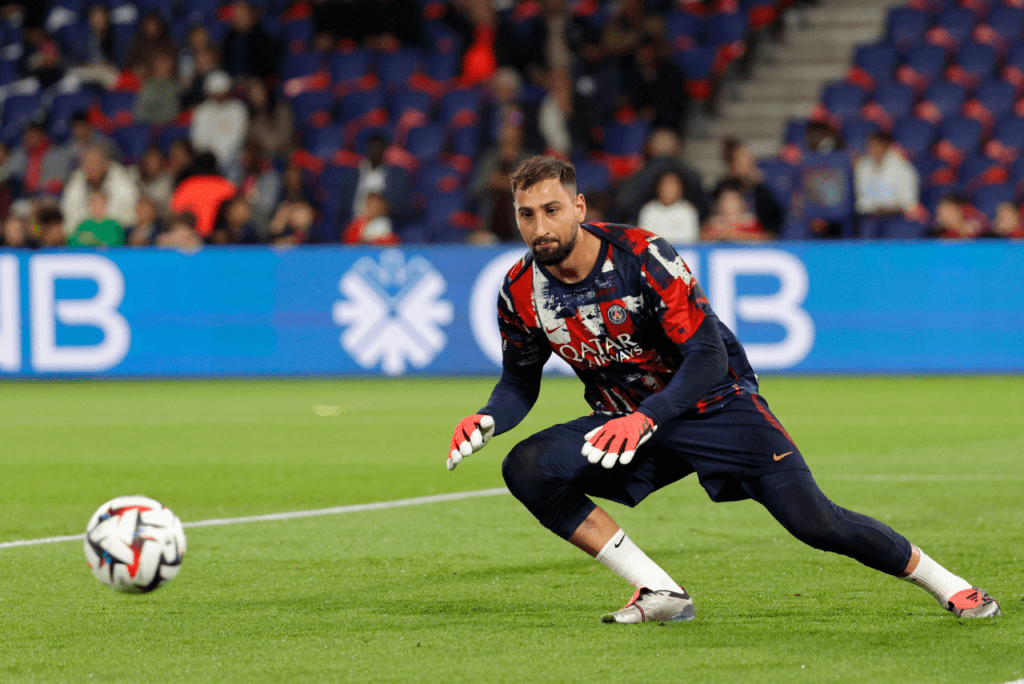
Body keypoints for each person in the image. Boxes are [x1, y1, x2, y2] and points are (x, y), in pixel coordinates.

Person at [446, 156, 1000, 624]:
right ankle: (659, 591)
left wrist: (646, 418)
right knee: (527, 466)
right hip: (631, 422)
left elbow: (708, 357)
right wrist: (490, 417)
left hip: (715, 403)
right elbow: (520, 381)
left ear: (580, 208)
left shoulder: (642, 258)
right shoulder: (519, 290)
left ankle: (948, 584)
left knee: (816, 523)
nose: (540, 226)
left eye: (551, 210)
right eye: (526, 214)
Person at [61, 145, 138, 233]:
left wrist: (100, 226)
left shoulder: (122, 181)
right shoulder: (76, 180)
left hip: (118, 235)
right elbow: (69, 217)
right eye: (88, 163)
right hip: (84, 235)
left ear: (106, 163)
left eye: (95, 162)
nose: (92, 167)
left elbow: (128, 217)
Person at [854, 131, 919, 234]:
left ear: (887, 147)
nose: (873, 150)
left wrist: (889, 208)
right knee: (865, 227)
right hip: (869, 217)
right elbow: (861, 199)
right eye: (871, 146)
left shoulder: (904, 168)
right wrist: (874, 208)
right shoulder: (862, 166)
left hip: (897, 216)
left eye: (877, 146)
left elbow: (910, 202)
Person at [637, 169, 699, 244]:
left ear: (681, 189)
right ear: (658, 188)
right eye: (665, 185)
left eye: (673, 185)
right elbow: (643, 241)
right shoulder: (649, 210)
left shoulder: (688, 211)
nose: (668, 189)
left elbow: (691, 241)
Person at [702, 178, 770, 242]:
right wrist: (718, 234)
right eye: (725, 200)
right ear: (718, 203)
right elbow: (699, 238)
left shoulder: (751, 222)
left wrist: (736, 234)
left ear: (742, 203)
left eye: (733, 200)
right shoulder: (712, 224)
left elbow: (765, 238)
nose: (729, 204)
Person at [133, 50, 180, 125]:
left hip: (169, 127)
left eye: (166, 62)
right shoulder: (147, 86)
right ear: (154, 65)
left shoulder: (175, 86)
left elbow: (173, 114)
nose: (164, 66)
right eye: (161, 62)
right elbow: (139, 114)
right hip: (148, 128)